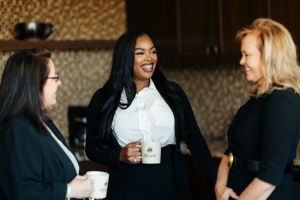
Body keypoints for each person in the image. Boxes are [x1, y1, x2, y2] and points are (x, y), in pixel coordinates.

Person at [85, 30, 216, 200]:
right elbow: (92, 149)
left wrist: (217, 182)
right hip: (126, 190)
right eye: (140, 53)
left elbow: (195, 140)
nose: (150, 58)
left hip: (172, 187)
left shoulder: (172, 92)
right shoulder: (104, 98)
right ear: (125, 58)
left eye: (153, 51)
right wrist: (119, 155)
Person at [215, 18, 300, 200]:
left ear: (269, 56)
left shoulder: (283, 102)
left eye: (247, 55)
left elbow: (268, 179)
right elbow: (231, 152)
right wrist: (220, 186)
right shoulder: (258, 98)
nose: (241, 61)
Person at [0, 49, 92, 200]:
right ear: (35, 84)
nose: (59, 83)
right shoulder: (17, 130)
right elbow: (23, 193)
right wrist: (69, 191)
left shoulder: (43, 121)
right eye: (55, 78)